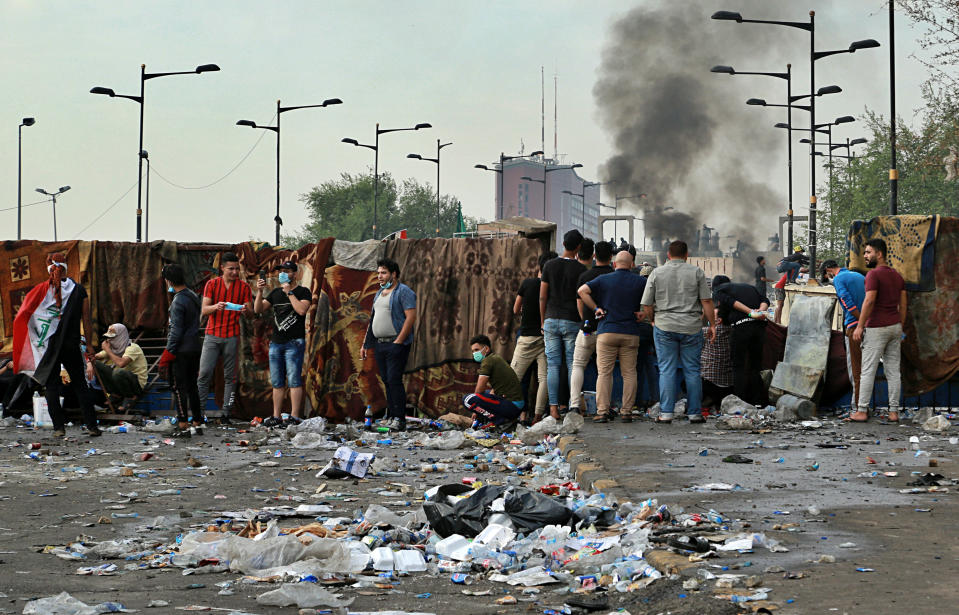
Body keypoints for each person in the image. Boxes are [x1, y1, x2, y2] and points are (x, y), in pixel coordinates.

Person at [12, 253, 100, 437]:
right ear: (66, 268)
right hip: (71, 346)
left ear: (49, 270)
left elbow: (23, 316)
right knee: (80, 385)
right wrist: (90, 346)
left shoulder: (39, 292)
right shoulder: (79, 290)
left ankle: (59, 428)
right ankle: (92, 426)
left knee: (51, 387)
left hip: (49, 348)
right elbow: (87, 320)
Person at [641, 241, 715, 424]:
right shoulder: (696, 272)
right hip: (691, 327)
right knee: (693, 370)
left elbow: (646, 304)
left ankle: (666, 413)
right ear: (686, 254)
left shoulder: (657, 273)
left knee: (666, 370)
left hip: (664, 326)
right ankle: (695, 413)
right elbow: (706, 301)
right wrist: (712, 324)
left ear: (668, 254)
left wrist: (652, 320)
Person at [578, 249, 647, 423]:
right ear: (632, 265)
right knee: (630, 373)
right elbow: (652, 300)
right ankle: (626, 412)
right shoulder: (640, 281)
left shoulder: (603, 279)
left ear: (614, 264)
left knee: (604, 373)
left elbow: (582, 291)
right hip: (630, 333)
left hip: (607, 331)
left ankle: (602, 412)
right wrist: (644, 313)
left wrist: (596, 309)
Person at [853, 239, 907, 422]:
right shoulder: (897, 276)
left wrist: (860, 326)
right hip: (895, 327)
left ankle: (861, 410)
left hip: (876, 327)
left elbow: (869, 301)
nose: (865, 256)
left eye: (868, 252)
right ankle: (893, 412)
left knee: (868, 370)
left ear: (880, 254)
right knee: (893, 371)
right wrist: (901, 326)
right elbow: (904, 305)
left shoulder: (873, 275)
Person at [255, 261, 313, 428]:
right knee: (277, 381)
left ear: (295, 274)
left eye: (287, 271)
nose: (283, 274)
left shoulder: (303, 292)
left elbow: (302, 310)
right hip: (276, 343)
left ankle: (294, 416)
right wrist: (260, 291)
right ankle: (276, 416)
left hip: (294, 342)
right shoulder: (275, 293)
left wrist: (289, 293)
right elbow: (259, 309)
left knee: (294, 379)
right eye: (281, 271)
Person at [362, 258, 417, 431]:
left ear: (394, 274)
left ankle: (399, 419)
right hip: (380, 344)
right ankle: (391, 415)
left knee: (394, 379)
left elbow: (411, 317)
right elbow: (373, 320)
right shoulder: (379, 293)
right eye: (378, 273)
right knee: (386, 380)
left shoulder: (403, 291)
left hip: (396, 343)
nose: (380, 276)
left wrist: (399, 341)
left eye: (384, 273)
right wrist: (366, 344)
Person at [197, 252, 253, 420]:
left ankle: (226, 412)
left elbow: (251, 313)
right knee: (204, 373)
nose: (235, 272)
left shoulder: (244, 287)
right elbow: (205, 309)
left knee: (231, 376)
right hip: (212, 335)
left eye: (237, 269)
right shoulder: (212, 284)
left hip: (232, 336)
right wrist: (216, 306)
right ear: (222, 268)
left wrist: (245, 310)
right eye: (231, 269)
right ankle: (199, 411)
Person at [539, 229, 586, 419]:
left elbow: (543, 296)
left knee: (553, 365)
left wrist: (543, 321)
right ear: (579, 247)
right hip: (572, 321)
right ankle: (571, 405)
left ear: (563, 244)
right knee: (572, 365)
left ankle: (553, 408)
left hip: (550, 320)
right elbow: (581, 297)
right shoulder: (581, 269)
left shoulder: (549, 266)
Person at [158, 263, 204, 437]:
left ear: (169, 281)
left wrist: (167, 354)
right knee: (192, 386)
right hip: (194, 347)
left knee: (178, 387)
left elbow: (176, 331)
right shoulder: (192, 296)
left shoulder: (178, 301)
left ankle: (183, 423)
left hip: (181, 350)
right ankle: (197, 421)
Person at [569, 241, 614, 414]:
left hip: (587, 328)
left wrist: (585, 319)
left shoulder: (585, 276)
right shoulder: (614, 276)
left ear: (594, 256)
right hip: (608, 329)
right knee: (605, 371)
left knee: (578, 365)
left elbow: (580, 303)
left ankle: (574, 405)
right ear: (611, 257)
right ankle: (605, 406)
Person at [710, 275, 769, 406]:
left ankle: (740, 402)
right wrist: (760, 311)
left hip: (741, 328)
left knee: (738, 366)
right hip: (759, 328)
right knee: (756, 366)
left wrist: (749, 312)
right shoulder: (749, 287)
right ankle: (758, 402)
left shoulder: (718, 290)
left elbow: (729, 302)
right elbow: (765, 299)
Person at [511, 251, 555, 423]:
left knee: (515, 377)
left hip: (527, 336)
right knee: (543, 378)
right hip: (545, 338)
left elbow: (515, 310)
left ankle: (517, 413)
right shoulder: (552, 288)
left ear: (539, 266)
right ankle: (537, 416)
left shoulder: (528, 283)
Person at [821, 260, 866, 413]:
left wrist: (860, 320)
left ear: (829, 270)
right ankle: (864, 405)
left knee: (855, 369)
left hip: (854, 327)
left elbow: (847, 303)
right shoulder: (859, 276)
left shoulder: (839, 279)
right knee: (867, 368)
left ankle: (857, 407)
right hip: (869, 327)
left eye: (827, 275)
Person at [463, 334, 524, 429]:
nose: (474, 353)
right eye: (473, 351)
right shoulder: (495, 358)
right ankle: (499, 419)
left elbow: (479, 389)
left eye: (477, 350)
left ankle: (501, 421)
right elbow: (495, 388)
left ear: (486, 349)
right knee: (487, 393)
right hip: (516, 405)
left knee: (468, 399)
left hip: (512, 406)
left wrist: (476, 410)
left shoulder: (487, 361)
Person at [90, 323, 148, 406]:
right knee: (96, 364)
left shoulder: (133, 348)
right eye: (108, 338)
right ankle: (116, 394)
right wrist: (90, 363)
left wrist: (107, 349)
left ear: (120, 336)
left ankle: (130, 396)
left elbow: (121, 364)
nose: (109, 340)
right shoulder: (114, 348)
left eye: (112, 337)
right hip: (120, 382)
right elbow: (94, 358)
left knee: (118, 372)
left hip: (136, 385)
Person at [700, 308, 733, 412]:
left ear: (718, 321)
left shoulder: (709, 332)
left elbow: (690, 332)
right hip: (728, 384)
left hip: (710, 382)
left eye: (711, 316)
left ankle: (709, 399)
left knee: (687, 381)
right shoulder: (732, 331)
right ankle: (715, 402)